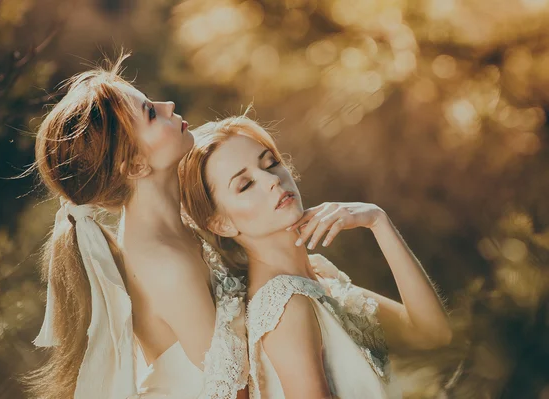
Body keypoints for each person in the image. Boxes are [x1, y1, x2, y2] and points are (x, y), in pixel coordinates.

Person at [179, 114, 453, 398]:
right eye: (245, 184)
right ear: (221, 224)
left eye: (270, 163)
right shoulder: (285, 303)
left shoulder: (319, 276)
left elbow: (432, 335)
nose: (272, 179)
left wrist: (378, 221)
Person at [27, 53, 248, 399]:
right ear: (134, 166)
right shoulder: (165, 262)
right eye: (150, 112)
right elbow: (235, 392)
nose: (168, 104)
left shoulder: (178, 221)